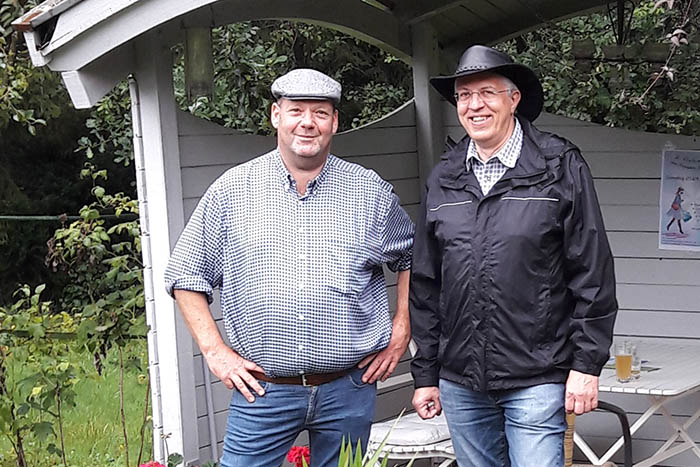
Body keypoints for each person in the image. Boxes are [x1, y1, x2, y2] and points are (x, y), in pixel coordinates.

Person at [165, 68, 414, 467]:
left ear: (334, 121)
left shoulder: (370, 192)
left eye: (320, 112)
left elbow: (412, 258)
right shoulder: (233, 191)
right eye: (296, 110)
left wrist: (402, 328)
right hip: (263, 391)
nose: (307, 122)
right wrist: (216, 353)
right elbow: (185, 276)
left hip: (348, 386)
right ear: (275, 115)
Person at [410, 45, 618, 467]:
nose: (474, 105)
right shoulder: (444, 177)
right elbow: (426, 284)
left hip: (537, 378)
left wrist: (587, 364)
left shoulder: (559, 166)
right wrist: (426, 375)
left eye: (486, 92)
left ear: (513, 98)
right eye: (465, 96)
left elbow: (591, 273)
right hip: (460, 381)